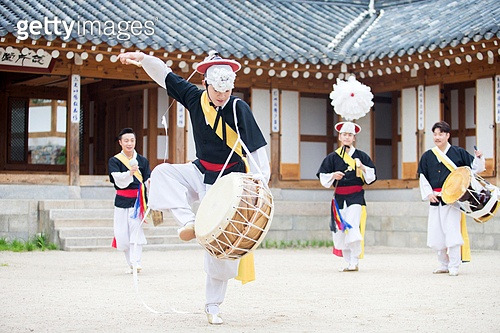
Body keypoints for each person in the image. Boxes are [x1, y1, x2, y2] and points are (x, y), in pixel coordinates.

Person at [118, 51, 270, 324]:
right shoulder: (193, 97)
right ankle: (189, 222)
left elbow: (257, 150)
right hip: (199, 171)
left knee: (219, 249)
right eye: (216, 89)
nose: (221, 95)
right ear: (205, 84)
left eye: (226, 90)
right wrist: (142, 58)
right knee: (163, 173)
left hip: (229, 184)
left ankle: (213, 306)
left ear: (231, 87)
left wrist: (261, 183)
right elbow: (166, 76)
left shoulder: (238, 109)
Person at [418, 121, 485, 276]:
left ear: (447, 135)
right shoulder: (428, 156)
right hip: (435, 198)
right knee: (437, 232)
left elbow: (475, 169)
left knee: (452, 231)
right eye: (435, 134)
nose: (437, 137)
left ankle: (454, 265)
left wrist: (479, 158)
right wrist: (429, 193)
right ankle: (443, 263)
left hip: (453, 199)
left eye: (441, 134)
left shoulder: (458, 152)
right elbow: (423, 177)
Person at [317, 121, 376, 272]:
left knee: (352, 225)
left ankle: (355, 260)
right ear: (340, 137)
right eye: (344, 134)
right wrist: (333, 175)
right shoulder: (332, 157)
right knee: (341, 228)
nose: (347, 137)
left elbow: (372, 176)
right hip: (339, 197)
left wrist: (362, 167)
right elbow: (323, 176)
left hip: (356, 196)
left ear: (354, 138)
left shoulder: (362, 156)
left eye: (350, 135)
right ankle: (348, 261)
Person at [108, 128, 151, 274]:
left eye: (132, 140)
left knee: (136, 230)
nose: (129, 143)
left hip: (138, 201)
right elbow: (116, 179)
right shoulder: (114, 161)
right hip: (121, 200)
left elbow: (147, 180)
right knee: (122, 234)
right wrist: (129, 174)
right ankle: (131, 263)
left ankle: (136, 261)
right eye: (126, 140)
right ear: (120, 142)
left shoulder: (143, 161)